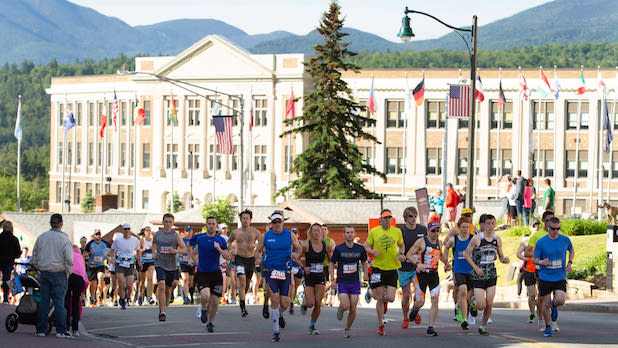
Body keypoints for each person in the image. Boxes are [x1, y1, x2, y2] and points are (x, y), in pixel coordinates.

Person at [255, 211, 302, 342]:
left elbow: (298, 248)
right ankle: (276, 331)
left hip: (285, 271)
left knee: (285, 303)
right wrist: (258, 259)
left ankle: (278, 314)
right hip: (270, 270)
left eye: (279, 222)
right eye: (274, 222)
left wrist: (296, 255)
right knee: (274, 299)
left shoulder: (290, 235)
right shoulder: (265, 236)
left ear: (283, 223)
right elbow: (257, 251)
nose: (276, 224)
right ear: (271, 223)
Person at [464, 214, 510, 336]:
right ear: (483, 225)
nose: (490, 226)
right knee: (481, 305)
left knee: (489, 303)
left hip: (491, 275)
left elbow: (500, 256)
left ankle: (483, 326)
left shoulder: (497, 240)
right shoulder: (477, 239)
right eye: (488, 223)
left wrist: (504, 259)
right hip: (478, 275)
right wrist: (476, 268)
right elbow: (466, 254)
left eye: (492, 223)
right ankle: (473, 303)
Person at [31, 213, 74, 338]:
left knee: (44, 301)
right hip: (59, 272)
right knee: (59, 302)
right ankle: (61, 330)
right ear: (61, 224)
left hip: (44, 272)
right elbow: (69, 259)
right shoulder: (64, 239)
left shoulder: (42, 237)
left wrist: (39, 268)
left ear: (50, 223)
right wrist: (67, 272)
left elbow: (35, 255)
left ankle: (41, 329)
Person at [364, 209, 405, 336]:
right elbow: (365, 245)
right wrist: (372, 252)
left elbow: (402, 245)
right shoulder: (374, 231)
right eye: (385, 218)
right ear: (380, 219)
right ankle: (381, 325)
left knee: (391, 298)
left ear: (392, 219)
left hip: (392, 268)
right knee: (380, 298)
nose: (387, 220)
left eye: (389, 217)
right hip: (378, 268)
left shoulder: (397, 231)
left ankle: (370, 291)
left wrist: (402, 254)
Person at [406, 222, 451, 336]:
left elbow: (440, 254)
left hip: (433, 275)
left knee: (435, 300)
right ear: (428, 231)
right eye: (433, 231)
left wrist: (446, 263)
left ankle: (430, 327)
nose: (436, 233)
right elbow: (409, 255)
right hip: (421, 275)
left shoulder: (439, 242)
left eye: (437, 231)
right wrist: (417, 263)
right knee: (420, 302)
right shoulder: (421, 241)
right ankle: (415, 309)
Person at [532, 217, 574, 337]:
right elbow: (534, 259)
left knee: (560, 299)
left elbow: (571, 251)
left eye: (558, 229)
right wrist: (541, 262)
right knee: (545, 303)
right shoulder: (541, 242)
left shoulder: (565, 240)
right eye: (553, 229)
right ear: (548, 228)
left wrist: (570, 263)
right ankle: (548, 326)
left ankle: (554, 305)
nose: (556, 231)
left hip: (559, 275)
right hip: (545, 277)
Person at [190, 216, 231, 333]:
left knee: (215, 303)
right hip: (203, 273)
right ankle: (203, 309)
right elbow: (193, 253)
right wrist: (198, 263)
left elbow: (228, 256)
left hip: (216, 273)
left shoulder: (221, 240)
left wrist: (219, 250)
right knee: (205, 296)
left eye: (214, 224)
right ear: (206, 225)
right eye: (209, 223)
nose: (211, 225)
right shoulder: (200, 239)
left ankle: (210, 322)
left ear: (216, 226)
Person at [329, 225, 368, 338]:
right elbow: (332, 263)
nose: (350, 234)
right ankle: (341, 308)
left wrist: (365, 274)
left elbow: (364, 262)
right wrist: (332, 279)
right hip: (342, 281)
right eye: (347, 232)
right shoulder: (339, 248)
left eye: (351, 232)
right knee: (346, 305)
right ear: (344, 234)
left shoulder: (360, 248)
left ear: (354, 234)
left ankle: (347, 328)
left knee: (353, 307)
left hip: (355, 281)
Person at [525, 210, 559, 332]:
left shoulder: (557, 233)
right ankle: (541, 320)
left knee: (557, 296)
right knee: (543, 297)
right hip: (541, 270)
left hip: (556, 269)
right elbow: (527, 252)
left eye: (553, 220)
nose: (551, 223)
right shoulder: (537, 236)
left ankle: (553, 320)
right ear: (544, 222)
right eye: (548, 220)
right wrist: (539, 256)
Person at [299, 223, 333, 334]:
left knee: (318, 303)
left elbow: (331, 260)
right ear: (311, 232)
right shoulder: (305, 245)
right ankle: (304, 303)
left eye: (319, 230)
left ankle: (312, 325)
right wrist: (304, 267)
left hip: (320, 276)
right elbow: (296, 257)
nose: (317, 232)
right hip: (309, 277)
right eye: (314, 230)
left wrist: (336, 266)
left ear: (321, 232)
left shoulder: (326, 246)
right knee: (310, 303)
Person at [228, 209, 261, 318]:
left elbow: (262, 244)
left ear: (250, 220)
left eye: (247, 218)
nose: (245, 220)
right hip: (239, 259)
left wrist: (256, 247)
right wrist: (231, 250)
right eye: (243, 218)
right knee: (241, 280)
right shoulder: (236, 232)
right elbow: (229, 241)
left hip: (250, 260)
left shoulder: (255, 232)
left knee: (247, 284)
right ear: (241, 220)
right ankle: (243, 307)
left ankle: (242, 297)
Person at [153, 214, 186, 321]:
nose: (168, 224)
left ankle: (165, 303)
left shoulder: (175, 235)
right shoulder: (157, 234)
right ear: (163, 222)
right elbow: (154, 243)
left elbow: (184, 249)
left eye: (170, 222)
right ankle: (162, 312)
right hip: (160, 263)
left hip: (172, 265)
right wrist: (154, 252)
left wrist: (175, 251)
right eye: (166, 221)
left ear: (172, 223)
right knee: (161, 285)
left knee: (170, 286)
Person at [443, 217, 474, 330]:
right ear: (459, 228)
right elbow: (446, 248)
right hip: (458, 270)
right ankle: (465, 319)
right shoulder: (454, 239)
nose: (465, 229)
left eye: (467, 227)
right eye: (463, 227)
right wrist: (446, 262)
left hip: (471, 270)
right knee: (463, 292)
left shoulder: (473, 239)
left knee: (471, 293)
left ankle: (466, 307)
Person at [398, 206, 426, 328]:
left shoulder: (423, 230)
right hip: (404, 267)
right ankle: (406, 318)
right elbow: (397, 247)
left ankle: (415, 310)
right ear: (405, 218)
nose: (414, 218)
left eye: (415, 216)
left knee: (419, 293)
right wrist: (400, 255)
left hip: (418, 266)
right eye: (411, 216)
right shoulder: (401, 232)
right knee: (406, 294)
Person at [107, 223, 141, 310]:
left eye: (128, 229)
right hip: (120, 263)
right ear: (123, 230)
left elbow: (137, 250)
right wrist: (108, 258)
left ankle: (127, 297)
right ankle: (122, 300)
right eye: (125, 229)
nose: (126, 231)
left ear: (130, 230)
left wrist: (139, 261)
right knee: (121, 283)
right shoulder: (118, 240)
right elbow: (111, 250)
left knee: (129, 285)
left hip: (129, 263)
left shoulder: (134, 240)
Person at [516, 219, 541, 324]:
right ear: (531, 227)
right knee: (531, 294)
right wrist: (528, 260)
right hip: (529, 270)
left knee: (541, 294)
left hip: (540, 270)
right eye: (534, 226)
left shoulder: (543, 240)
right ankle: (532, 313)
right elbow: (518, 253)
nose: (536, 228)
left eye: (538, 226)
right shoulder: (526, 240)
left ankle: (540, 312)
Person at [65, 244, 88, 337]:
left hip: (68, 276)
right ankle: (75, 329)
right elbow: (84, 274)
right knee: (76, 303)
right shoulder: (80, 257)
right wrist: (84, 291)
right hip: (79, 279)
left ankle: (65, 328)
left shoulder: (68, 255)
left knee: (66, 302)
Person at [84, 229, 110, 306]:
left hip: (101, 265)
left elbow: (113, 248)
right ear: (94, 236)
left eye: (99, 234)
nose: (98, 236)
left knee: (101, 277)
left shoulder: (104, 243)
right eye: (96, 234)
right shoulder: (90, 244)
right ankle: (92, 298)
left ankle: (100, 296)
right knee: (93, 283)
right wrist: (89, 253)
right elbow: (84, 255)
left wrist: (107, 255)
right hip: (92, 265)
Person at [0, 220, 22, 303]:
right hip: (8, 263)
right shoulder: (14, 239)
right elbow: (17, 254)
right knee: (7, 280)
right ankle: (6, 298)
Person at [138, 226, 156, 305]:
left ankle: (149, 296)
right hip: (143, 261)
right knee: (142, 281)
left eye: (150, 230)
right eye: (147, 230)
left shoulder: (153, 240)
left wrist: (153, 249)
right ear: (144, 232)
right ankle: (140, 296)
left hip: (151, 261)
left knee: (150, 278)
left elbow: (157, 249)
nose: (148, 232)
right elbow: (137, 250)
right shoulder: (142, 240)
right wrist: (145, 249)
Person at [322, 224, 337, 307]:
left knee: (327, 283)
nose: (323, 231)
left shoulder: (331, 241)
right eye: (322, 229)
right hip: (319, 264)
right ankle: (322, 298)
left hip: (327, 264)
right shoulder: (316, 240)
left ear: (328, 231)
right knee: (321, 283)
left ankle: (324, 298)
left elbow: (335, 253)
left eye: (325, 229)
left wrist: (335, 262)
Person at [180, 226, 195, 305]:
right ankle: (186, 298)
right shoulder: (182, 240)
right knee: (185, 279)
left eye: (190, 231)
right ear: (185, 232)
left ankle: (184, 291)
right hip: (183, 262)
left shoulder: (195, 240)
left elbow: (197, 251)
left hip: (192, 263)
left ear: (192, 232)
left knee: (190, 282)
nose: (188, 233)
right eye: (187, 231)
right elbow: (179, 249)